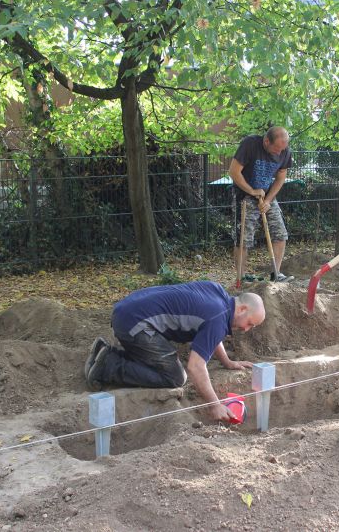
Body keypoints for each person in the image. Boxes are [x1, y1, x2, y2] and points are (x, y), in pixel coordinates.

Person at [84, 281, 265, 422]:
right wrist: (214, 405)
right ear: (242, 309)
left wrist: (228, 362)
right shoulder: (218, 318)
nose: (247, 329)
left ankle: (105, 353)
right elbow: (195, 366)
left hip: (128, 309)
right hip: (135, 324)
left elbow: (211, 333)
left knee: (159, 360)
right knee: (176, 377)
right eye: (250, 323)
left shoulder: (218, 294)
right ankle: (109, 365)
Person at [230, 126, 294, 282]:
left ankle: (276, 274)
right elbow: (233, 171)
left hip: (267, 195)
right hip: (244, 196)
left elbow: (280, 177)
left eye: (283, 149)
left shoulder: (284, 151)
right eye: (277, 149)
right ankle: (241, 278)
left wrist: (268, 200)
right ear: (266, 141)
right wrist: (252, 191)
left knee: (280, 234)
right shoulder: (250, 144)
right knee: (243, 240)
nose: (280, 153)